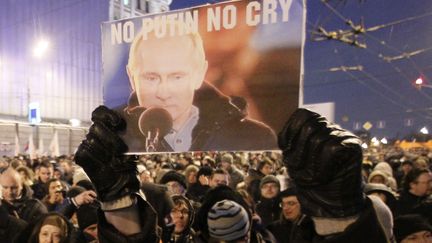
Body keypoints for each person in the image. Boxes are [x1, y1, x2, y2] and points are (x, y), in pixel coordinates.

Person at [120, 19, 277, 152]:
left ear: (199, 75)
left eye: (177, 77)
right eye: (151, 78)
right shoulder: (112, 140)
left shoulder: (257, 138)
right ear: (131, 79)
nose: (164, 93)